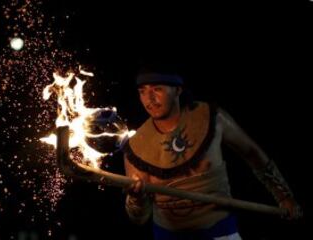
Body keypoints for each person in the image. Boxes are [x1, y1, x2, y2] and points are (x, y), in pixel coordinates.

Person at [122, 67, 302, 240]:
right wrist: (136, 198)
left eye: (157, 89)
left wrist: (284, 196)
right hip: (168, 235)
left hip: (221, 232)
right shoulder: (136, 147)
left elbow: (252, 152)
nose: (149, 98)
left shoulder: (211, 118)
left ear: (177, 90)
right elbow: (139, 218)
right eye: (142, 91)